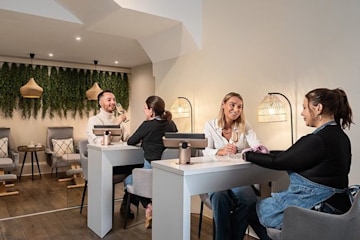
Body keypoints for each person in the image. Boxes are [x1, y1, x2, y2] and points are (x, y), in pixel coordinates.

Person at [243, 88, 354, 239]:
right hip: (336, 206)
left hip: (316, 208)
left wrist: (246, 155)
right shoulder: (340, 137)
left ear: (318, 108)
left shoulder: (317, 140)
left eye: (304, 107)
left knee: (248, 209)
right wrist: (266, 153)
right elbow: (291, 155)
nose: (302, 113)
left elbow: (279, 161)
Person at [202, 92, 268, 240]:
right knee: (220, 197)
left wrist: (247, 150)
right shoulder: (210, 125)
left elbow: (256, 144)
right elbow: (205, 150)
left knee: (249, 199)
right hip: (216, 175)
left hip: (236, 176)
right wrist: (220, 151)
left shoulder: (244, 126)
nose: (236, 109)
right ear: (223, 105)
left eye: (240, 107)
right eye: (233, 105)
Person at [126, 95, 178, 229]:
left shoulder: (147, 125)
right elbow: (174, 140)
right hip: (168, 172)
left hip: (150, 171)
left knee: (128, 181)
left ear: (152, 111)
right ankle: (156, 208)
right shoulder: (171, 123)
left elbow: (131, 141)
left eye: (145, 109)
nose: (144, 111)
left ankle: (149, 207)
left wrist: (144, 140)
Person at [86, 89, 138, 219]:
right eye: (109, 100)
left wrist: (139, 138)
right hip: (102, 165)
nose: (113, 102)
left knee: (139, 169)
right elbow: (103, 142)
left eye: (114, 99)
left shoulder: (117, 120)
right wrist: (116, 123)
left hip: (120, 161)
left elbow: (126, 137)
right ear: (100, 102)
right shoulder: (94, 121)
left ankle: (127, 203)